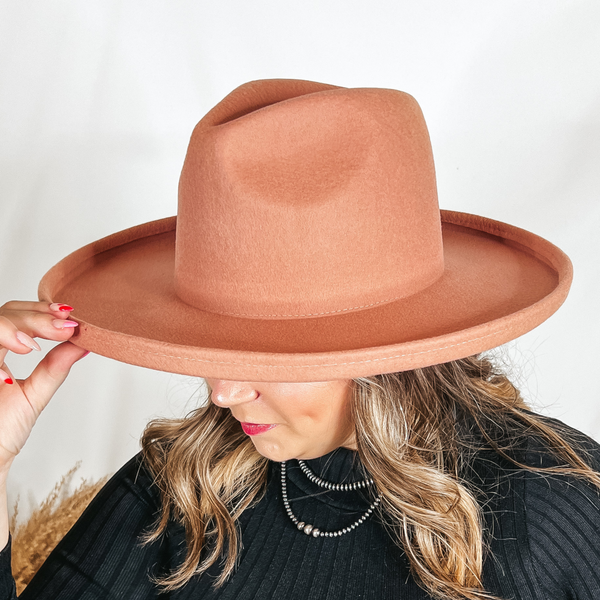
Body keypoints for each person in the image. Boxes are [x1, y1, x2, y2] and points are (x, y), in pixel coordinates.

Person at [0, 79, 599, 600]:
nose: (222, 394)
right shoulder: (186, 485)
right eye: (213, 349)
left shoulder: (551, 509)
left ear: (390, 347)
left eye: (268, 356)